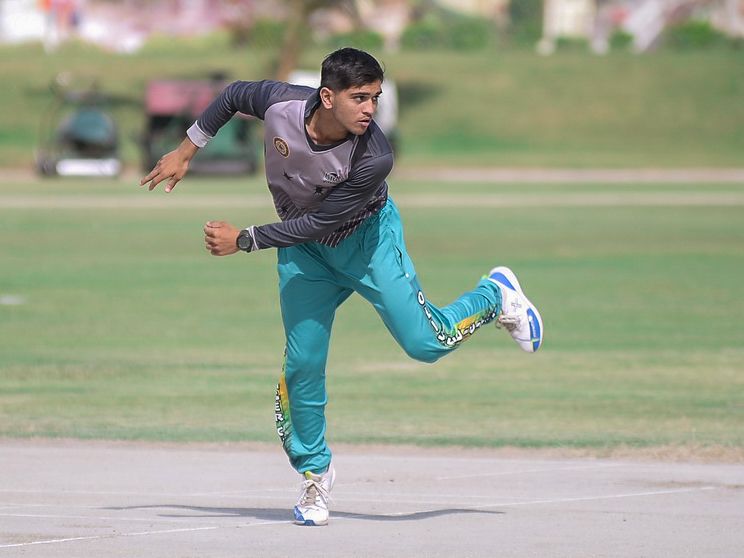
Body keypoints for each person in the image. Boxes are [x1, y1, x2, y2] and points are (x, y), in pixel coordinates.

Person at [140, 47, 543, 527]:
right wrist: (186, 151)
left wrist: (243, 240)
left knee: (425, 344)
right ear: (327, 96)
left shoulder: (375, 155)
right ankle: (314, 474)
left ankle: (495, 295)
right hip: (305, 256)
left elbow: (320, 222)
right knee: (302, 367)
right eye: (360, 98)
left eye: (375, 98)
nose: (370, 109)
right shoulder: (281, 104)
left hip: (367, 245)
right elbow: (231, 97)